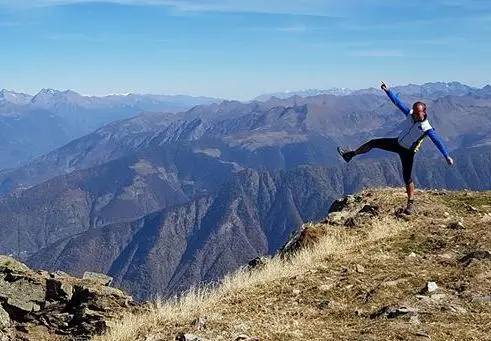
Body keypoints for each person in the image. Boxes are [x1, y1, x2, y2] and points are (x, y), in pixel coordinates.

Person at [337, 81, 454, 215]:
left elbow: (437, 142)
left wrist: (446, 156)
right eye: (414, 113)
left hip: (408, 152)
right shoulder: (410, 114)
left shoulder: (427, 129)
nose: (415, 115)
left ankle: (410, 204)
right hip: (397, 143)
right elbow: (398, 103)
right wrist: (388, 91)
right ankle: (350, 154)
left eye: (418, 113)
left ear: (424, 112)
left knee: (407, 178)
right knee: (373, 142)